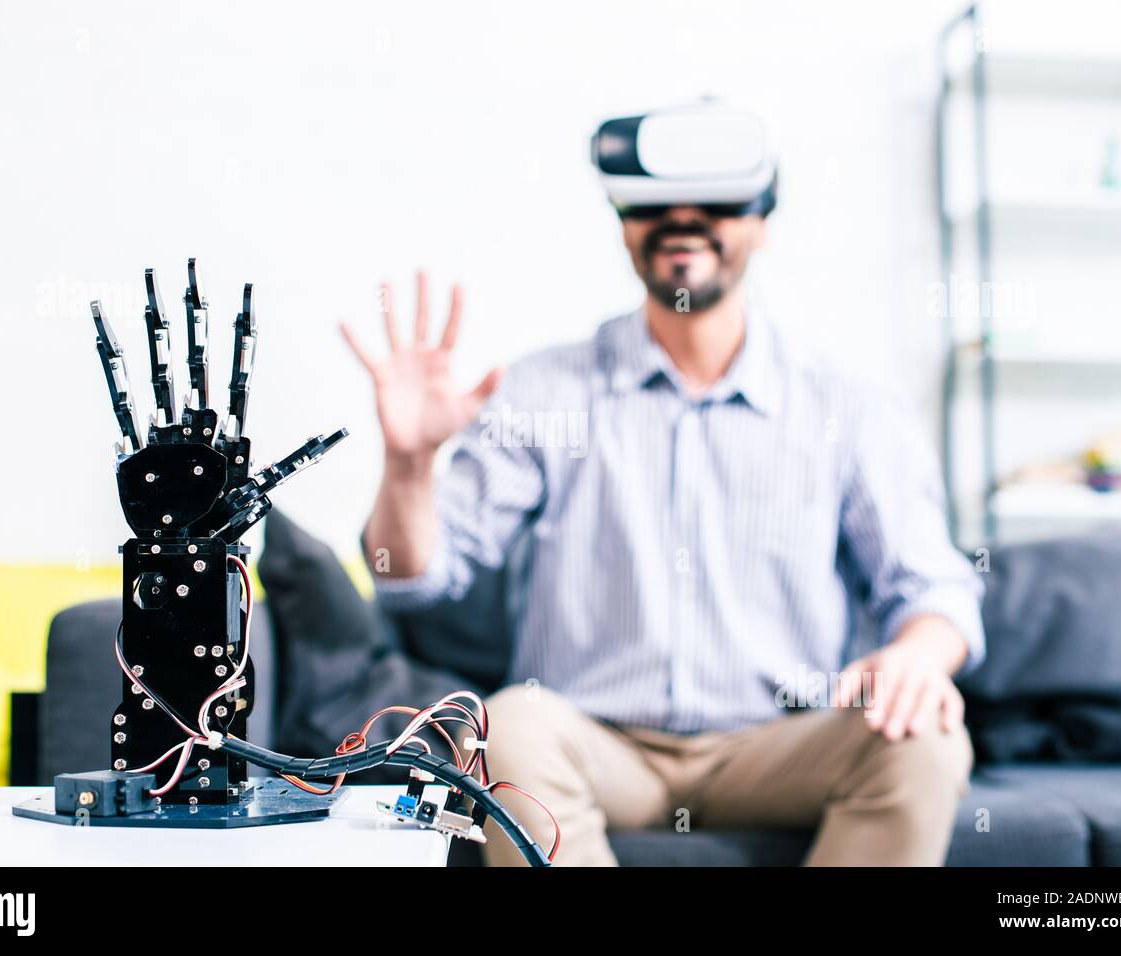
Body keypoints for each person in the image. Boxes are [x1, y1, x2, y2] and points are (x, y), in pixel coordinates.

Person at [341, 103, 983, 866]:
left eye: (714, 204)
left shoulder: (850, 409)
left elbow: (937, 589)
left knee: (928, 739)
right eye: (653, 208)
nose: (683, 223)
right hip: (594, 743)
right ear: (623, 224)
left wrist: (918, 653)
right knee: (507, 724)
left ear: (764, 221)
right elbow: (414, 582)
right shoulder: (542, 392)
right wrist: (410, 463)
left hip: (779, 745)